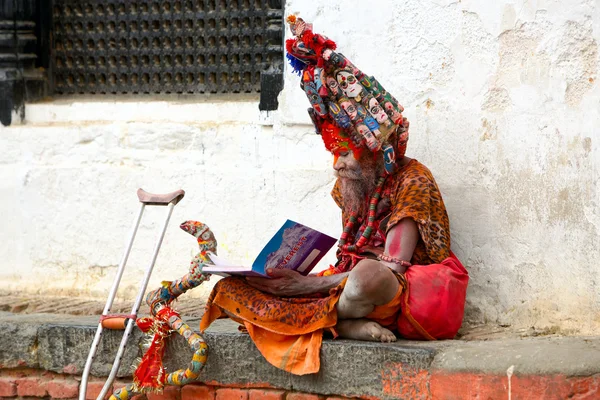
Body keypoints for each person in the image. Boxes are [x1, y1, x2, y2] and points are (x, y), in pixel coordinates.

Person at [199, 16, 468, 375]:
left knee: (366, 278)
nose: (337, 165)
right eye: (334, 154)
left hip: (390, 291)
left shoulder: (413, 180)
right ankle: (334, 324)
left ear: (373, 150)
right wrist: (289, 280)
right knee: (232, 291)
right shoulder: (351, 186)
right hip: (339, 288)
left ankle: (306, 319)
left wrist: (306, 286)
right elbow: (347, 254)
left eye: (345, 153)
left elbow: (393, 269)